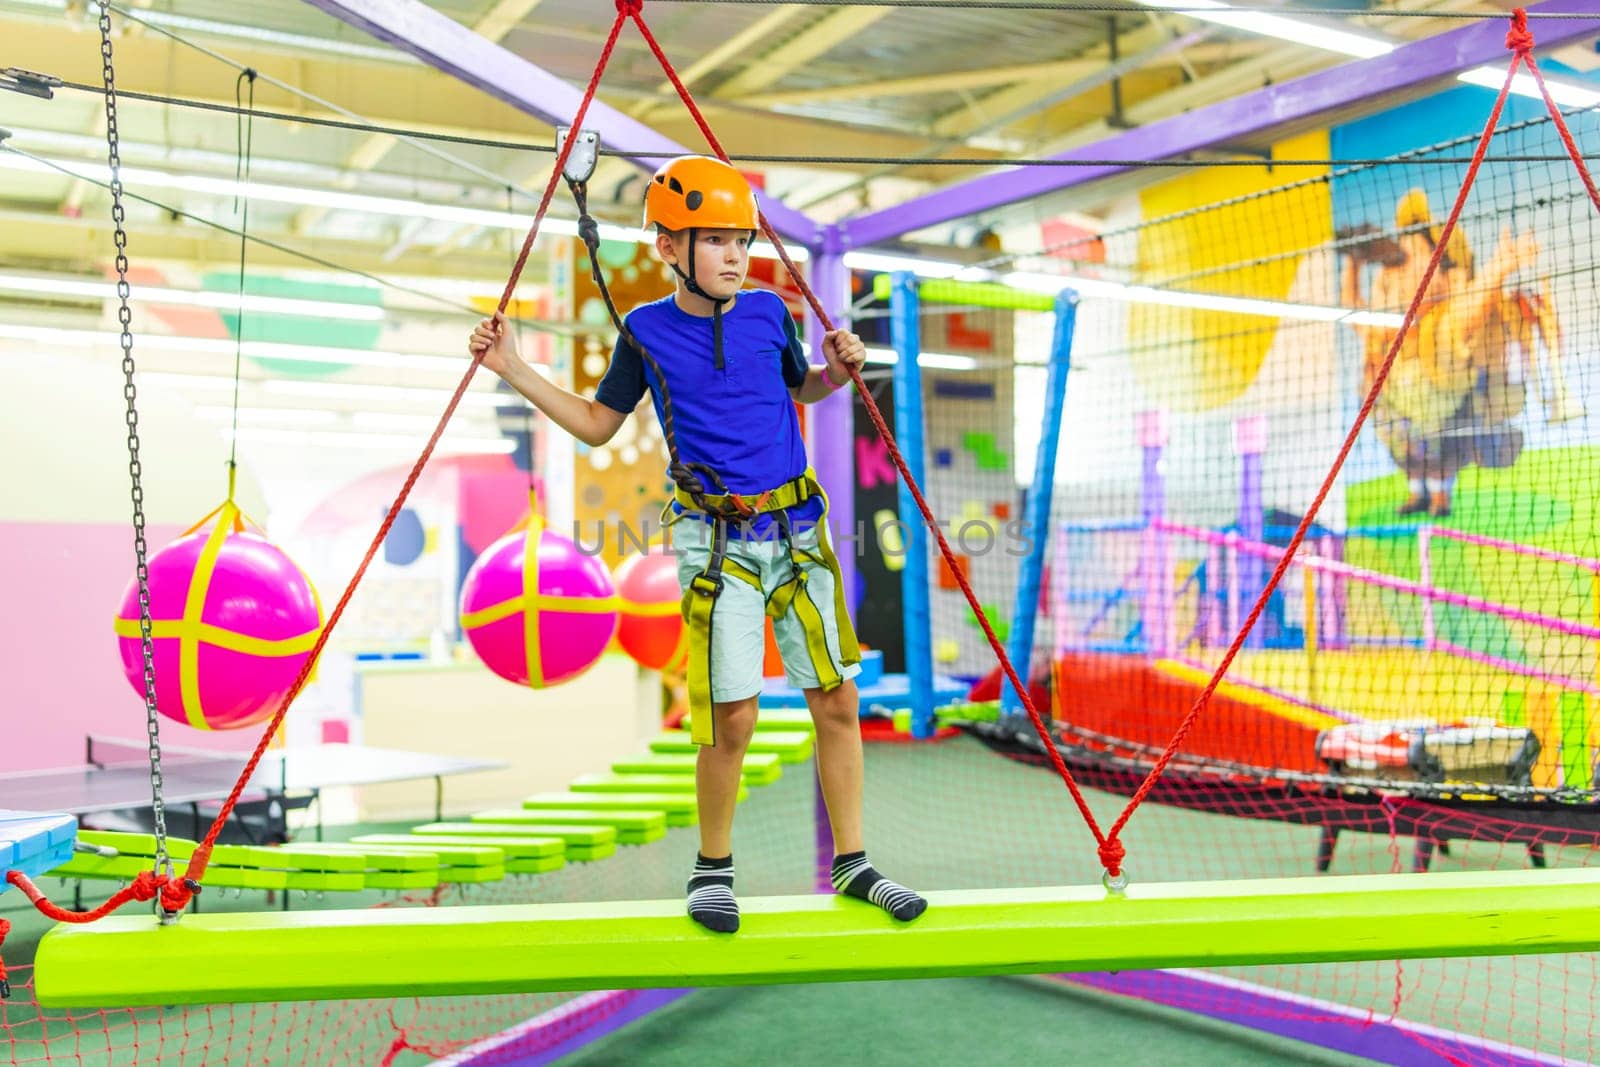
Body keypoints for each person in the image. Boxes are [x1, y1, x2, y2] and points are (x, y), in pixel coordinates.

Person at [469, 155, 926, 933]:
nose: (732, 255)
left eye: (740, 241)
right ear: (667, 247)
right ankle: (712, 869)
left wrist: (835, 373)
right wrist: (512, 366)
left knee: (837, 696)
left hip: (799, 527)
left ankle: (853, 862)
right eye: (713, 240)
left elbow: (799, 387)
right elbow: (596, 423)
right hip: (715, 541)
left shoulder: (767, 314)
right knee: (732, 713)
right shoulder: (644, 332)